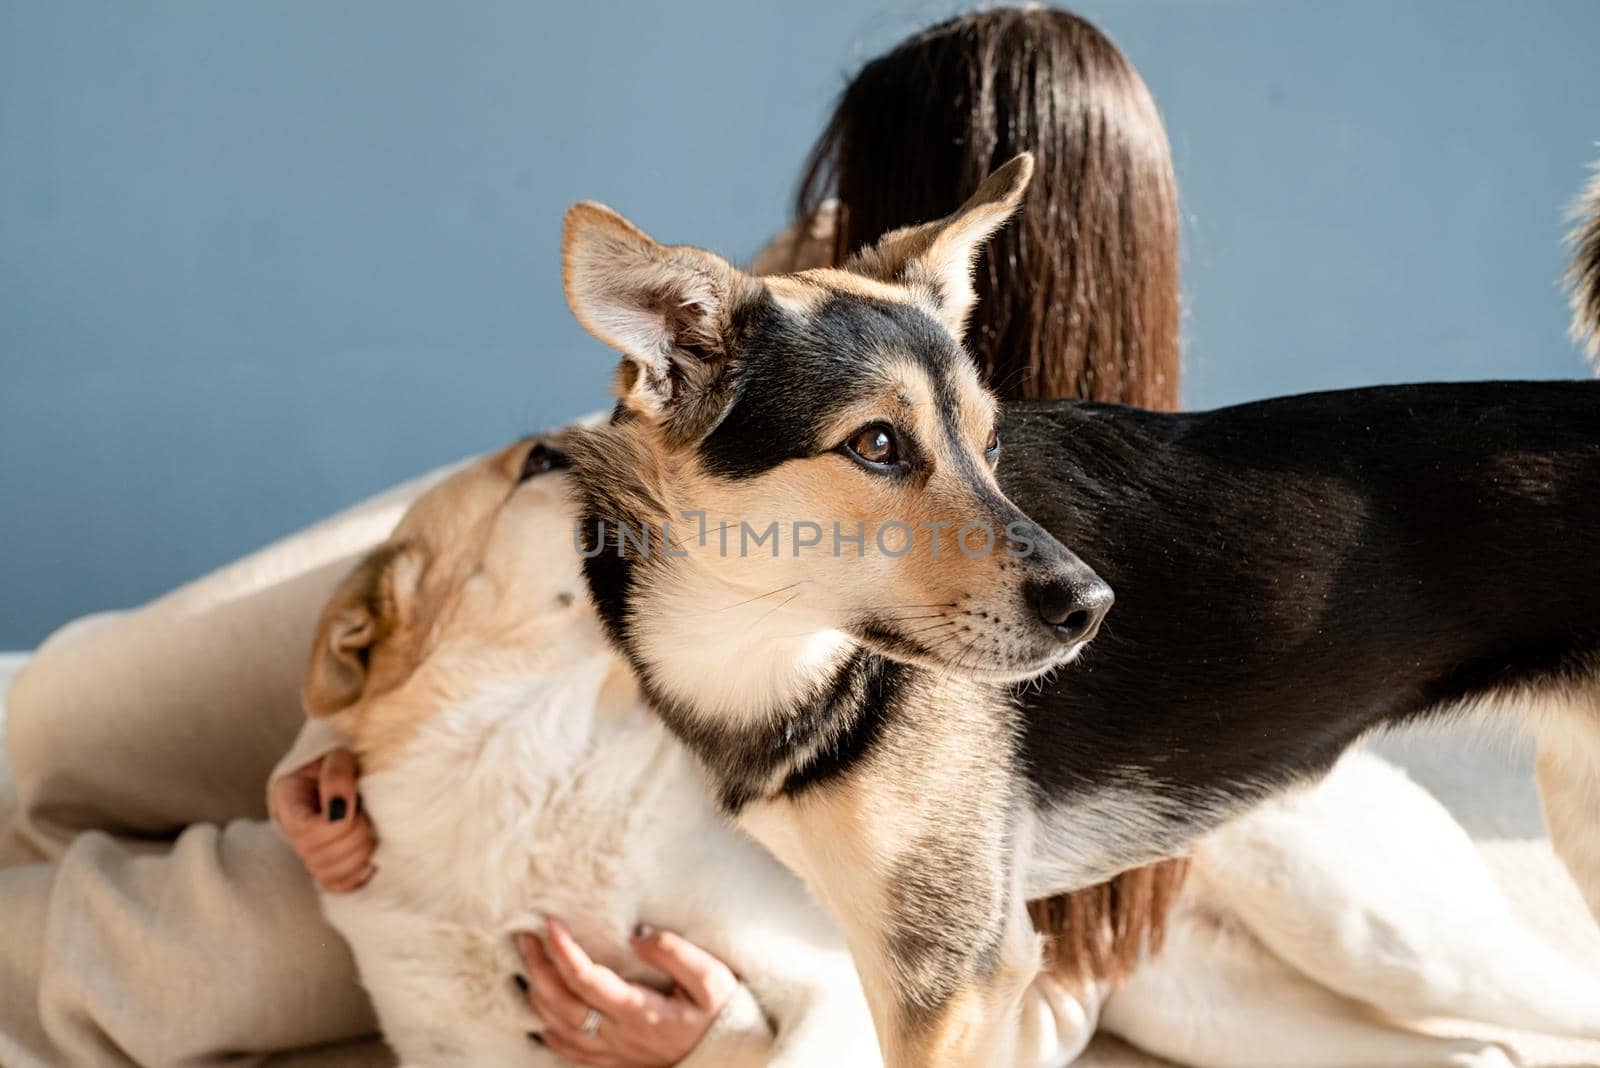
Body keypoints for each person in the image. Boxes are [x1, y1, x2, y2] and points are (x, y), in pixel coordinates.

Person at [0, 8, 1185, 1066]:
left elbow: (1046, 970)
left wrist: (729, 1037)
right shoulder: (834, 283)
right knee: (60, 718)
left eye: (857, 175)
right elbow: (617, 445)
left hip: (642, 769)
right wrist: (345, 711)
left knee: (208, 947)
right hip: (529, 547)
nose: (830, 208)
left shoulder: (1125, 541)